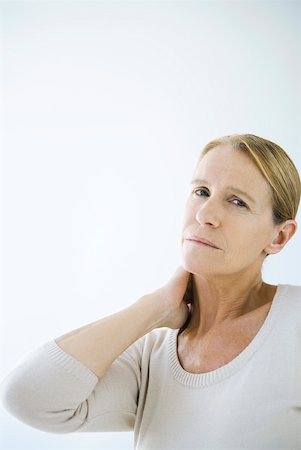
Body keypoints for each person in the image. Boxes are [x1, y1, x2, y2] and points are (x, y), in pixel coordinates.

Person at [1, 134, 300, 449]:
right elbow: (26, 398)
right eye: (202, 192)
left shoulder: (294, 322)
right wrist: (153, 307)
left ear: (279, 237)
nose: (204, 215)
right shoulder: (151, 354)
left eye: (237, 201)